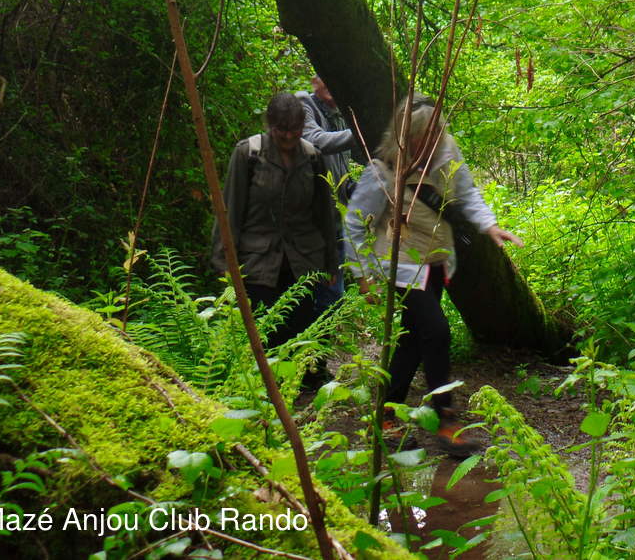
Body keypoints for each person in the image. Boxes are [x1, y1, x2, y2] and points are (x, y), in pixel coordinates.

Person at [345, 92, 522, 453]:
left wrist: (490, 226)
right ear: (405, 136)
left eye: (434, 136)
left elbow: (467, 193)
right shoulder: (382, 172)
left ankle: (387, 413)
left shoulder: (447, 153)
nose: (429, 144)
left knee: (413, 340)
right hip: (402, 265)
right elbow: (354, 224)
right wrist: (362, 276)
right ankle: (446, 421)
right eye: (420, 137)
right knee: (437, 332)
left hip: (438, 260)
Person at [211, 92, 339, 354]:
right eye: (282, 130)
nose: (289, 137)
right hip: (258, 263)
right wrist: (224, 262)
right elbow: (230, 211)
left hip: (303, 262)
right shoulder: (248, 154)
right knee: (263, 338)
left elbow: (324, 214)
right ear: (270, 125)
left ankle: (304, 378)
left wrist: (330, 264)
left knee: (299, 335)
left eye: (295, 130)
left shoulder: (313, 157)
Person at [296, 73, 357, 314]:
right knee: (309, 290)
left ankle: (324, 333)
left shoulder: (339, 117)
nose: (331, 84)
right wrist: (361, 132)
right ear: (314, 81)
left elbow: (340, 168)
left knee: (332, 293)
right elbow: (315, 141)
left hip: (333, 218)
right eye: (325, 77)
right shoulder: (302, 103)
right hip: (308, 217)